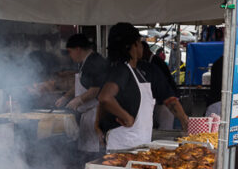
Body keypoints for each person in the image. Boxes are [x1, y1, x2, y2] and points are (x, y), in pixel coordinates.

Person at [97, 23, 155, 151]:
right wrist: (126, 117)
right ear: (134, 44)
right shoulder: (122, 70)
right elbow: (105, 98)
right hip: (124, 143)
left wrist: (97, 126)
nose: (141, 47)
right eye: (140, 42)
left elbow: (101, 103)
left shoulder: (137, 71)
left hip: (138, 142)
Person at [55, 33, 108, 151]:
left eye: (70, 51)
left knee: (94, 153)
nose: (70, 56)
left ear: (78, 49)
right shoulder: (84, 62)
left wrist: (78, 100)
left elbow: (96, 89)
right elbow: (80, 84)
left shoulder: (95, 62)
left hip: (96, 114)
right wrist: (66, 97)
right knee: (86, 150)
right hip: (87, 114)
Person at [137, 41, 189, 132]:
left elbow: (163, 86)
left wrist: (184, 119)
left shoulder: (154, 63)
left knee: (165, 127)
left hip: (165, 100)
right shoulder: (146, 64)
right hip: (159, 101)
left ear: (144, 50)